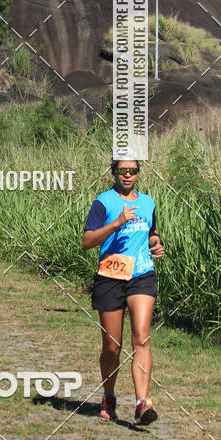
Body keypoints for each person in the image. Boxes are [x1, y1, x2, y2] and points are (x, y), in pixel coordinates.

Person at [83, 158, 164, 425]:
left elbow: (151, 232)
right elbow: (88, 241)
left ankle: (142, 403)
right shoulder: (103, 202)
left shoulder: (149, 202)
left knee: (141, 339)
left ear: (139, 173)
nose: (127, 175)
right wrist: (117, 223)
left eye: (133, 171)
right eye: (122, 170)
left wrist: (156, 243)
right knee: (112, 346)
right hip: (111, 276)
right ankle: (109, 394)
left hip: (141, 274)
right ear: (114, 172)